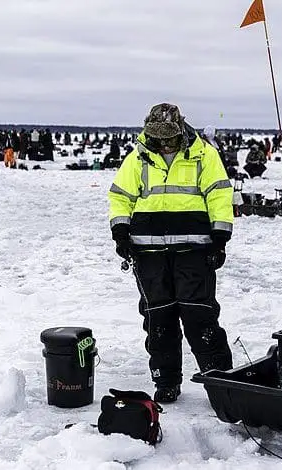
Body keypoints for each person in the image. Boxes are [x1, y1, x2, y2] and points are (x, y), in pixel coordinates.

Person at [108, 103, 234, 403]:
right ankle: (166, 380)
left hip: (194, 250)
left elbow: (219, 194)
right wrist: (121, 233)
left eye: (169, 137)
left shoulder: (205, 155)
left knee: (199, 315)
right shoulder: (138, 158)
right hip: (148, 252)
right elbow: (120, 197)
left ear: (181, 131)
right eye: (158, 137)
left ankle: (222, 382)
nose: (164, 143)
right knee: (158, 318)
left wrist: (220, 239)